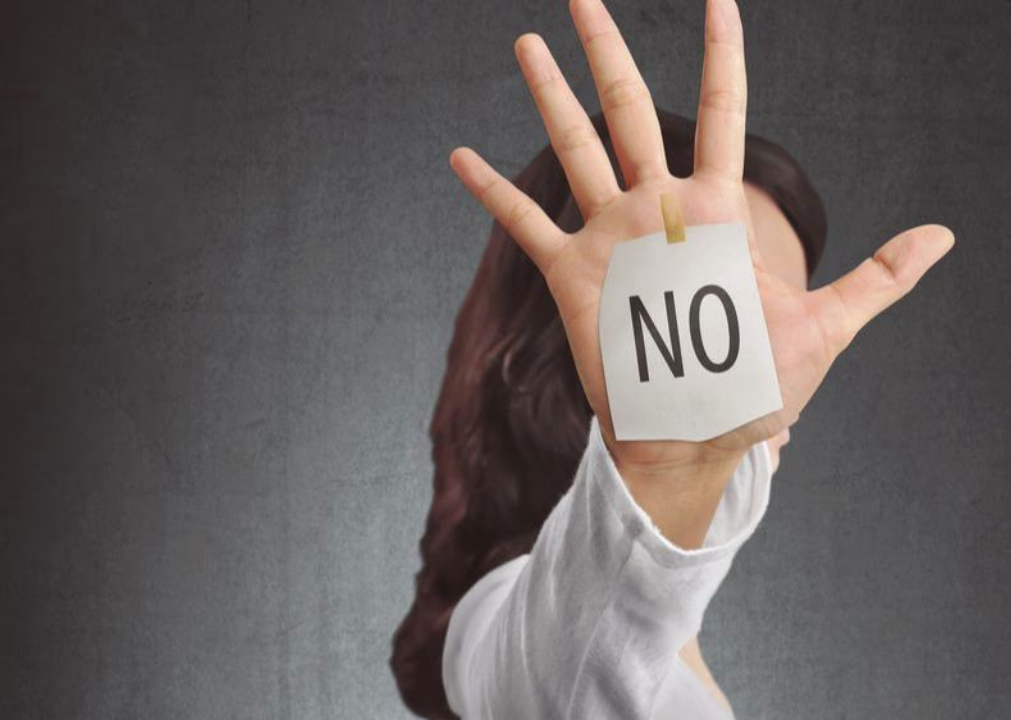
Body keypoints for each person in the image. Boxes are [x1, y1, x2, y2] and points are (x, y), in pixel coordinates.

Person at [390, 0, 955, 717]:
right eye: (737, 318)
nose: (777, 392)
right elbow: (556, 688)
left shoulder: (678, 645)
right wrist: (667, 466)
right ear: (564, 346)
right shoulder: (495, 625)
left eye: (778, 323)